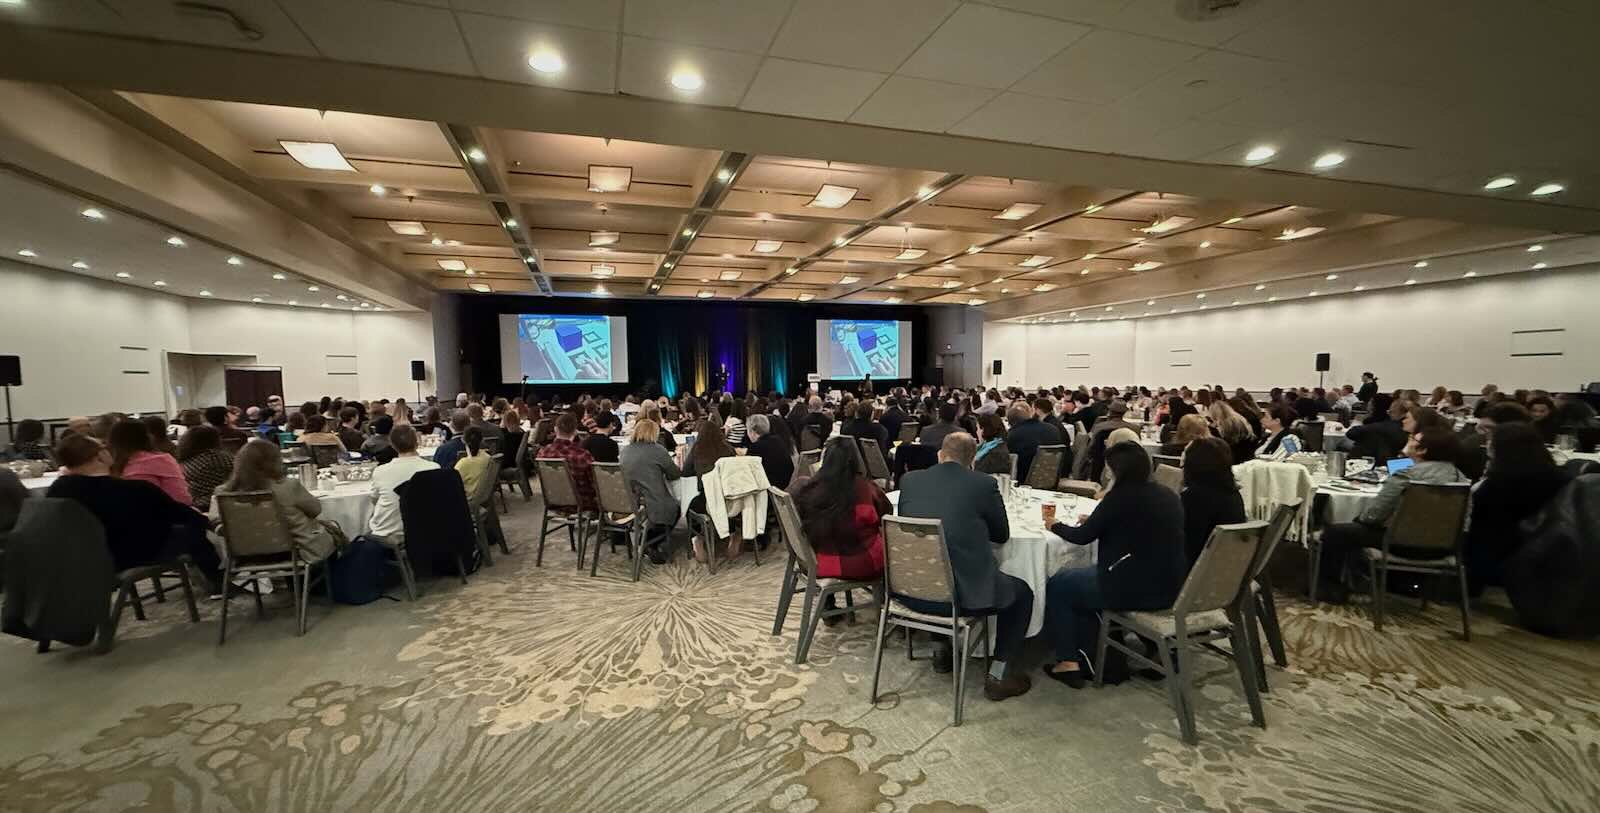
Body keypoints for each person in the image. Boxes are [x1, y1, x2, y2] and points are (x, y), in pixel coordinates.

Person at [895, 432, 1032, 700]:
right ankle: (999, 674)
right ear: (972, 460)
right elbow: (1001, 535)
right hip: (961, 597)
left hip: (908, 590)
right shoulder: (982, 484)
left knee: (934, 568)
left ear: (939, 455)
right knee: (1022, 592)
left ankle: (939, 645)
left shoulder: (909, 481)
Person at [1041, 442, 1187, 687]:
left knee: (1058, 585)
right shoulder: (1168, 494)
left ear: (1117, 471)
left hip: (1133, 589)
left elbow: (1082, 536)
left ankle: (1069, 661)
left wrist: (1053, 524)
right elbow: (1135, 525)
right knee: (1077, 581)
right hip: (1172, 585)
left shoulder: (1119, 497)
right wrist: (1100, 520)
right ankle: (1095, 647)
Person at [1314, 426, 1468, 601]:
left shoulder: (1406, 473)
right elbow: (1465, 522)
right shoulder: (1461, 479)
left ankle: (1331, 590)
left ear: (1423, 449)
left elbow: (1374, 515)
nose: (1408, 440)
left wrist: (1360, 519)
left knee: (1337, 532)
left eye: (1412, 439)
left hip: (1400, 544)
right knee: (1354, 530)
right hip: (1443, 549)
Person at [47, 433, 219, 585]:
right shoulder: (134, 489)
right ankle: (218, 581)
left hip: (83, 560)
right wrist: (208, 520)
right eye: (104, 447)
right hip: (131, 554)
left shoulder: (57, 490)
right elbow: (177, 513)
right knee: (193, 531)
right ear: (99, 456)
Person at [1464, 423, 1570, 596]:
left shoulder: (1496, 485)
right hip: (1545, 552)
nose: (1487, 444)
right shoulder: (1559, 476)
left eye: (1491, 441)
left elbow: (1475, 517)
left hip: (1494, 557)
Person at [792, 438, 891, 620]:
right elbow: (886, 514)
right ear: (854, 460)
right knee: (891, 550)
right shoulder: (864, 488)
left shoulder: (810, 489)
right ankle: (891, 607)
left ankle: (828, 604)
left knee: (828, 533)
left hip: (818, 561)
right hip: (861, 562)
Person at [210, 439, 334, 563]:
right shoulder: (288, 486)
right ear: (274, 462)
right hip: (295, 552)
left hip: (245, 555)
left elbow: (217, 524)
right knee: (332, 533)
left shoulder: (222, 493)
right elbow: (316, 510)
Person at [620, 418, 681, 564]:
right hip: (653, 500)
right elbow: (674, 474)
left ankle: (648, 539)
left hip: (628, 501)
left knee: (663, 506)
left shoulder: (625, 451)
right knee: (675, 508)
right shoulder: (657, 450)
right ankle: (650, 542)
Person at [1179, 437, 1247, 566]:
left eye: (1185, 453)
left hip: (1196, 570)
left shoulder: (1195, 498)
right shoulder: (1231, 493)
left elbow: (1187, 545)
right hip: (1225, 566)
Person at [367, 424, 440, 539]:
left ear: (392, 445)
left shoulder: (380, 471)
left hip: (390, 531)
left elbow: (374, 500)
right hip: (427, 531)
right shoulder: (434, 468)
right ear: (417, 442)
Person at [106, 418, 191, 506]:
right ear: (147, 437)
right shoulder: (162, 460)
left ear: (113, 441)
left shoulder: (110, 465)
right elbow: (182, 498)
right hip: (170, 514)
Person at [537, 414, 598, 513]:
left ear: (555, 429)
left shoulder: (542, 452)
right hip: (583, 504)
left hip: (553, 501)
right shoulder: (582, 455)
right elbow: (595, 484)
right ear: (575, 431)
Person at [178, 425, 234, 512]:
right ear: (215, 440)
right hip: (222, 506)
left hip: (196, 507)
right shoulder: (218, 457)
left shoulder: (185, 462)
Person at [746, 414, 795, 489]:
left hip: (770, 489)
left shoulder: (755, 448)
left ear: (752, 431)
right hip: (786, 483)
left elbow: (749, 473)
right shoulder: (778, 440)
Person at [451, 425, 497, 500]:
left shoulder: (464, 463)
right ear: (482, 440)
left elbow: (452, 484)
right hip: (483, 496)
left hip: (467, 499)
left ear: (463, 440)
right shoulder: (488, 458)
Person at [1208, 400, 1257, 465]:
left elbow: (1225, 443)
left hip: (1234, 456)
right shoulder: (1239, 418)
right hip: (1247, 452)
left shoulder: (1226, 425)